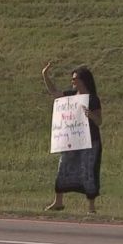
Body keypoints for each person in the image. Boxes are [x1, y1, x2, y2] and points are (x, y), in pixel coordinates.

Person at [42, 62, 102, 214]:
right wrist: (45, 75)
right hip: (71, 140)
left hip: (90, 141)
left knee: (88, 171)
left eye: (75, 79)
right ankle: (58, 202)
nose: (72, 81)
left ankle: (91, 208)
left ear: (83, 80)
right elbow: (54, 93)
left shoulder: (93, 99)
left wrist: (91, 115)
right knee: (63, 167)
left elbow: (100, 121)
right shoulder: (70, 96)